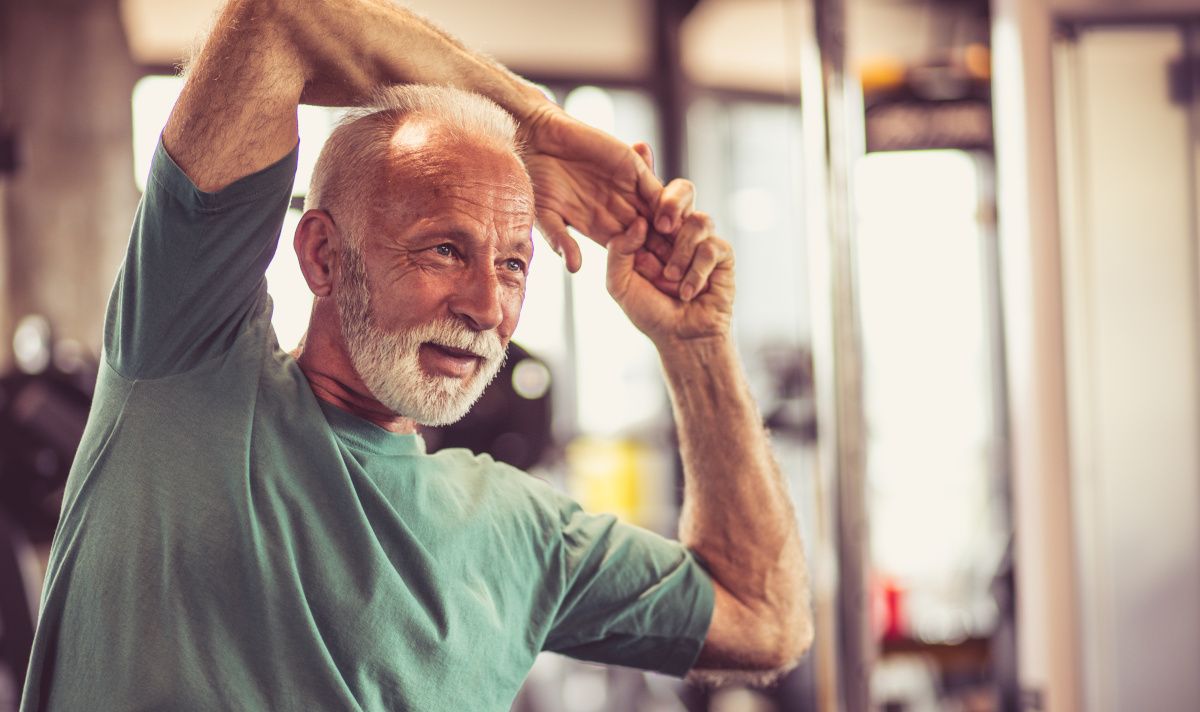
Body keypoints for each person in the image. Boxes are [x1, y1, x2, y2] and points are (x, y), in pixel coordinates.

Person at [20, 0, 812, 709]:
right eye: (443, 249)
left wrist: (695, 344)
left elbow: (763, 617)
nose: (487, 307)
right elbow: (277, 23)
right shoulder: (188, 372)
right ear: (324, 256)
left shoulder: (521, 535)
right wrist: (530, 123)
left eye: (512, 263)